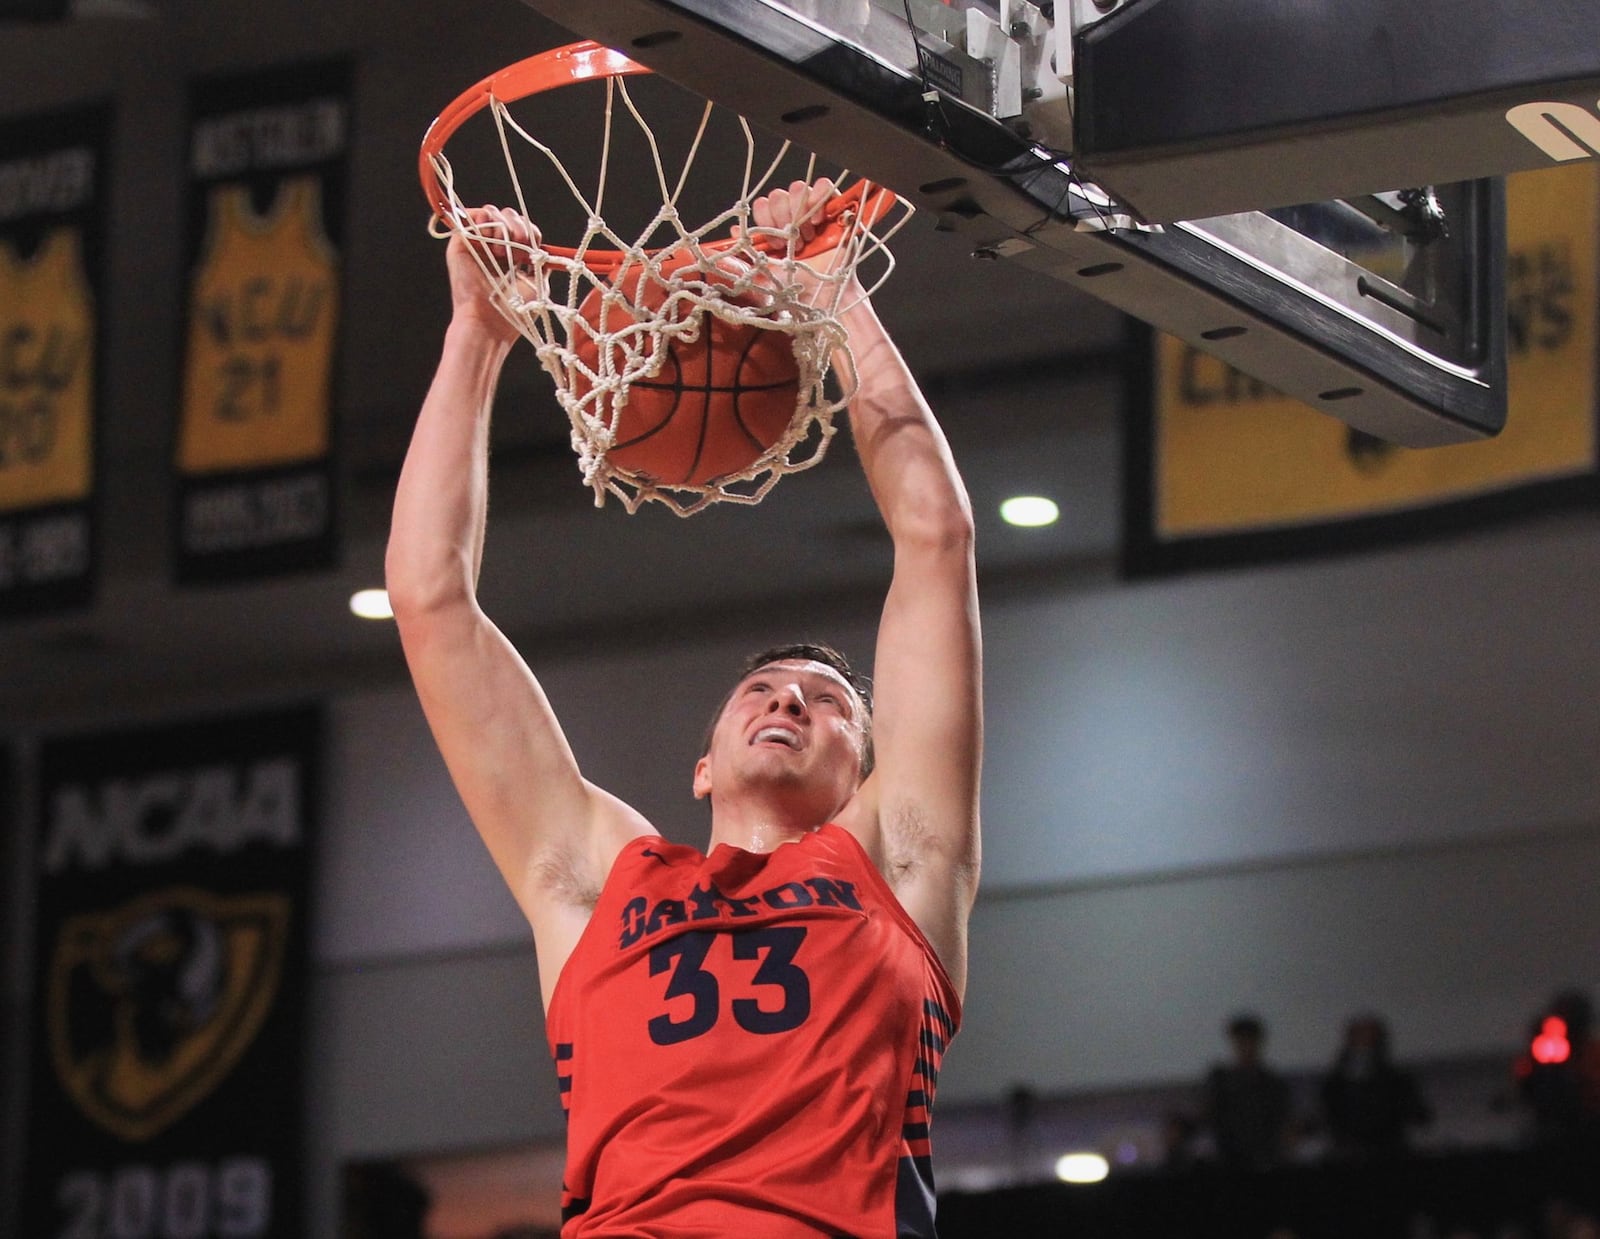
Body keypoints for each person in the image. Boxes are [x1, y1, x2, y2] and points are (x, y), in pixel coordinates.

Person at [386, 180, 982, 1239]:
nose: (786, 697)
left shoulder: (897, 857)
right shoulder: (598, 878)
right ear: (700, 767)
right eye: (758, 688)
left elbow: (934, 536)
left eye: (829, 702)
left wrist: (830, 292)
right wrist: (475, 337)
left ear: (867, 775)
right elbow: (430, 599)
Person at [1319, 1013, 1431, 1159]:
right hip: (1348, 1150)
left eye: (1367, 1038)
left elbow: (1420, 1115)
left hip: (1388, 1148)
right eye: (1358, 1038)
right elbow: (1324, 1115)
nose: (1362, 1045)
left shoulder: (1397, 1080)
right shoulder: (1334, 1083)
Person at [1201, 1013, 1296, 1171]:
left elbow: (1281, 1120)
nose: (1246, 1047)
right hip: (1231, 1158)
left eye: (1249, 1041)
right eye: (1241, 1042)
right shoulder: (1221, 1081)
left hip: (1265, 1158)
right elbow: (1212, 1117)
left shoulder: (1273, 1084)